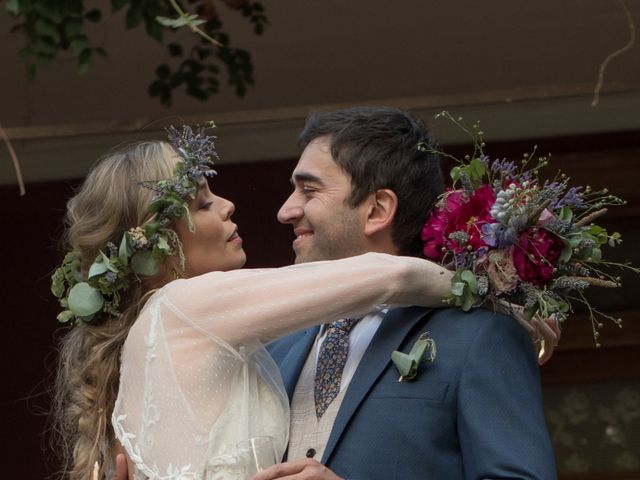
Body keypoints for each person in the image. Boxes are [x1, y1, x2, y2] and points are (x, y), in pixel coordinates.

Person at [51, 126, 457, 480]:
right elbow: (394, 277)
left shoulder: (163, 329)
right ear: (161, 247)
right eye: (203, 204)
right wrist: (484, 289)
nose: (227, 205)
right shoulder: (184, 305)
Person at [257, 107, 558, 479]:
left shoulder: (479, 337)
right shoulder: (274, 349)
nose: (286, 211)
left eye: (309, 190)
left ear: (377, 209)